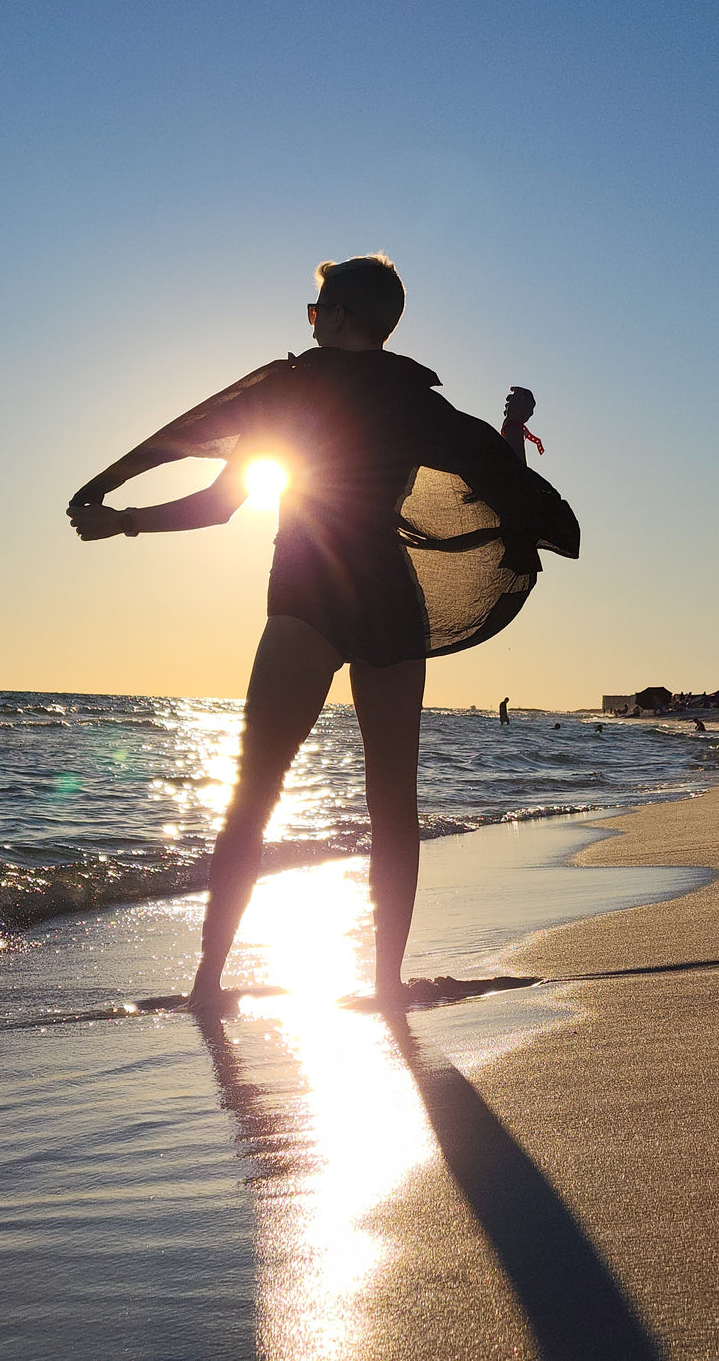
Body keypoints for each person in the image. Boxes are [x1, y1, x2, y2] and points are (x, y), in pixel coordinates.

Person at [68, 255, 579, 1009]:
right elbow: (497, 474)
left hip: (310, 595)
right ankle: (384, 981)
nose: (309, 321)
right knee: (391, 804)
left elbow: (218, 501)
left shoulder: (290, 387)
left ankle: (208, 982)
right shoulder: (417, 400)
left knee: (254, 791)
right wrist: (511, 424)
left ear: (336, 314)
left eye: (313, 310)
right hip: (391, 604)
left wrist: (121, 516)